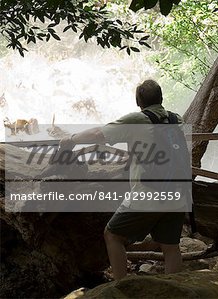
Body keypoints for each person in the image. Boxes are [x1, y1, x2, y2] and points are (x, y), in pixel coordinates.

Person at [59, 79, 185, 280]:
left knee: (112, 235)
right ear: (161, 98)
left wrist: (71, 139)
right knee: (171, 247)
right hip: (178, 192)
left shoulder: (137, 120)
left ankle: (121, 285)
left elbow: (97, 134)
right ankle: (174, 290)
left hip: (149, 193)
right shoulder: (176, 119)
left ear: (138, 101)